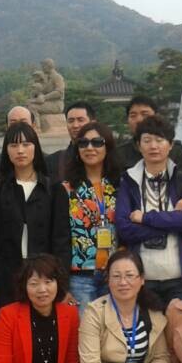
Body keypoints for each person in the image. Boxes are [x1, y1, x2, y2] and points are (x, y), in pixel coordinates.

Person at [0, 122, 70, 311]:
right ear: (6, 150)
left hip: (43, 275)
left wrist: (62, 281)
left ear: (35, 148)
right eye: (13, 145)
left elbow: (61, 240)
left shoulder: (53, 188)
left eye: (26, 144)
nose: (20, 150)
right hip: (5, 273)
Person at [115, 114, 182, 307]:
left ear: (170, 145)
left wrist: (145, 218)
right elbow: (125, 228)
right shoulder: (128, 181)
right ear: (138, 145)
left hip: (179, 279)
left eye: (159, 140)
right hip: (141, 279)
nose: (153, 146)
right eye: (147, 140)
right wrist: (173, 218)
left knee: (180, 325)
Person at [62, 121, 122, 308]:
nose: (90, 148)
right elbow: (58, 237)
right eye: (83, 143)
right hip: (79, 276)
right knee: (86, 326)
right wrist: (62, 283)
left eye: (97, 142)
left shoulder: (121, 186)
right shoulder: (66, 189)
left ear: (108, 147)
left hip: (115, 274)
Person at [115, 95, 182, 170]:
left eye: (145, 114)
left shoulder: (175, 151)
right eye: (133, 115)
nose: (139, 120)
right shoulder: (119, 154)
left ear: (156, 116)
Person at [0, 105, 39, 181]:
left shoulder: (49, 163)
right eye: (13, 124)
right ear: (7, 128)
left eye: (24, 123)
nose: (19, 127)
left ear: (33, 126)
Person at [46, 101, 95, 184]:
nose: (75, 125)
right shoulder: (53, 161)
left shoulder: (104, 157)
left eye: (80, 120)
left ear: (93, 123)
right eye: (71, 121)